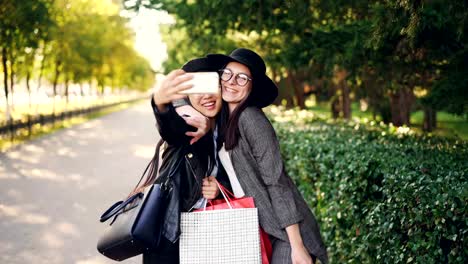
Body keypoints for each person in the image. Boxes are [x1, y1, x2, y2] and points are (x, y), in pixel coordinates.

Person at [204, 48, 329, 264]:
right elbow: (242, 176)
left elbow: (276, 182)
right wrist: (219, 186)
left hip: (284, 231)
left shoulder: (251, 119)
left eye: (242, 78)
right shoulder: (225, 119)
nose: (232, 82)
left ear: (252, 86)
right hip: (258, 225)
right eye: (228, 74)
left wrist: (297, 246)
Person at [138, 56, 231, 264]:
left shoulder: (227, 128)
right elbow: (172, 129)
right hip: (171, 234)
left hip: (209, 232)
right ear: (187, 95)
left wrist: (219, 187)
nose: (206, 96)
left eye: (211, 86)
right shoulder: (189, 122)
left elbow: (236, 173)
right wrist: (160, 103)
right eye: (197, 89)